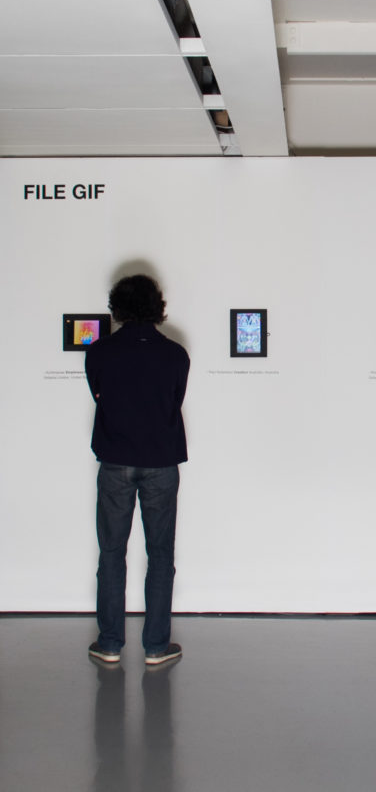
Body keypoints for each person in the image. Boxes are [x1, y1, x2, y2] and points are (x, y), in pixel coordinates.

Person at [85, 274, 190, 666]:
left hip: (115, 459)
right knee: (160, 554)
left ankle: (110, 643)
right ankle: (156, 646)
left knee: (111, 552)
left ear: (118, 307)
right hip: (161, 461)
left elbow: (99, 395)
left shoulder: (99, 352)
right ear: (157, 307)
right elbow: (175, 399)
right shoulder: (176, 355)